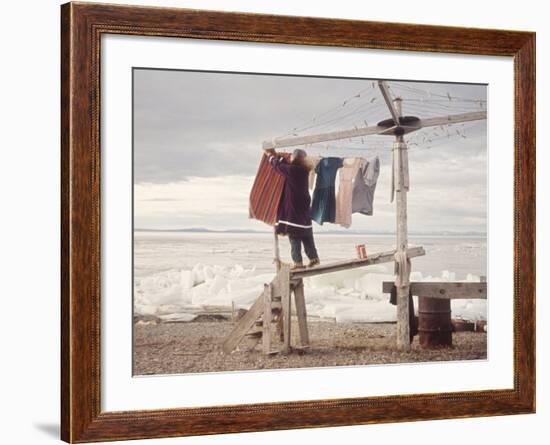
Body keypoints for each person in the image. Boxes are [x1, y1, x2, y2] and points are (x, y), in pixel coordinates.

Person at [264, 147, 320, 270]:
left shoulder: (293, 170)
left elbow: (278, 167)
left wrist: (270, 156)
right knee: (306, 234)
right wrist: (278, 157)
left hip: (295, 207)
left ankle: (298, 263)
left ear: (295, 158)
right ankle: (314, 259)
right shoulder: (303, 170)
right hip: (303, 206)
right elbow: (284, 165)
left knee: (294, 235)